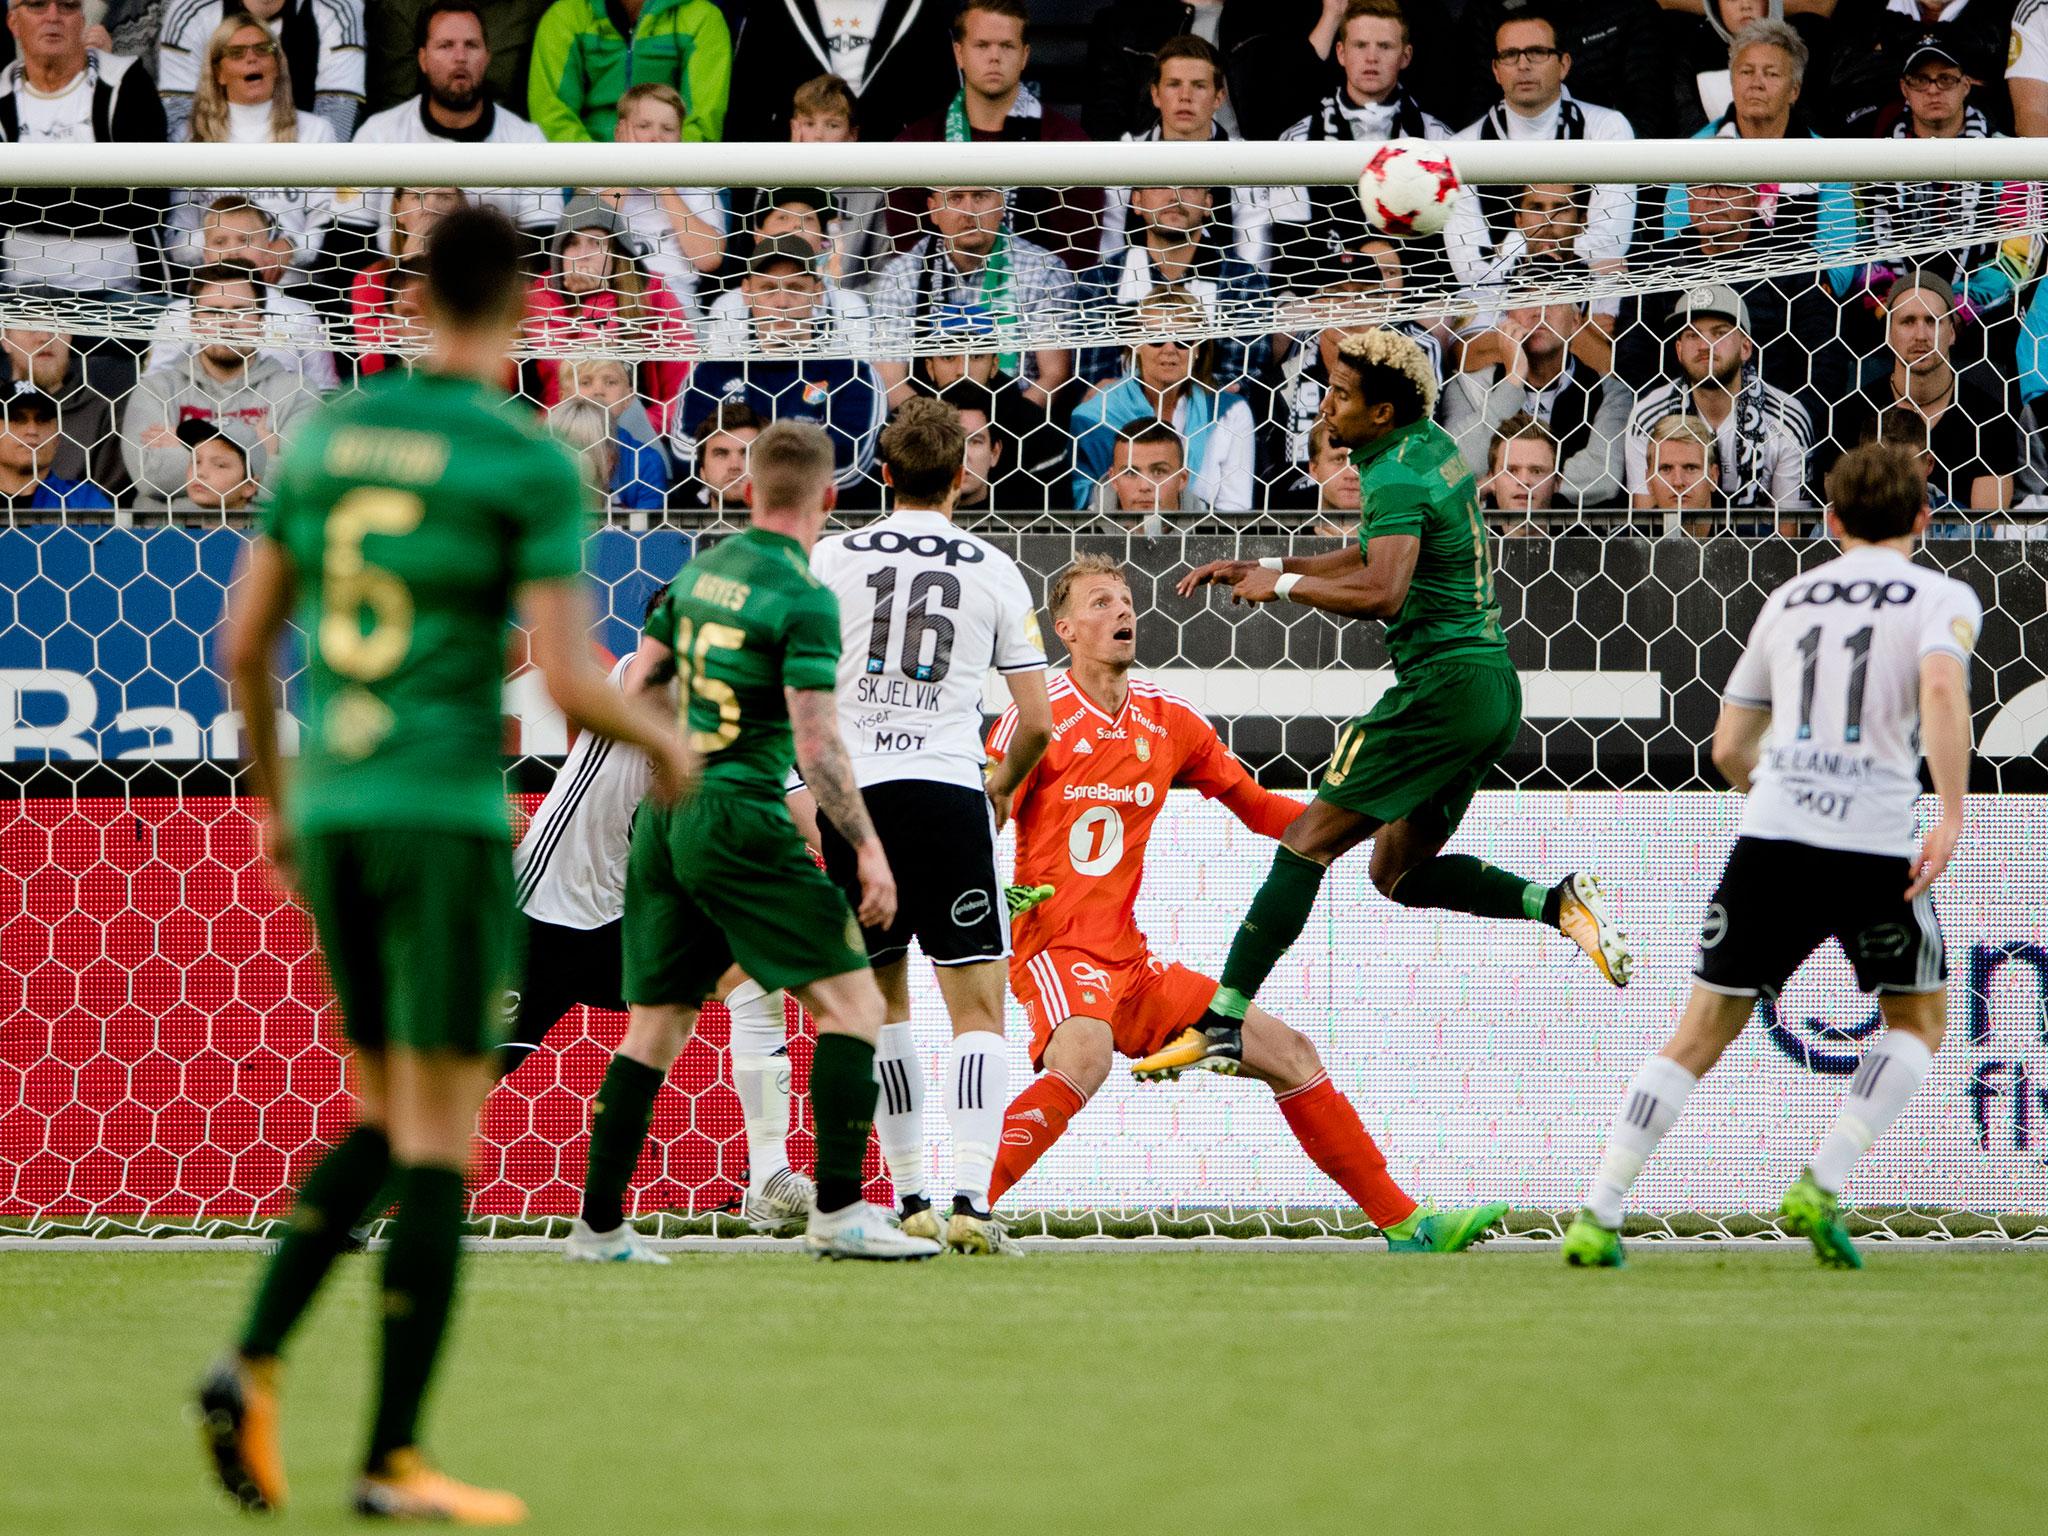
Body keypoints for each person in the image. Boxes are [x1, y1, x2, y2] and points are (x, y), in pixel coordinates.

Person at [197, 203, 692, 1523]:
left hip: (338, 808)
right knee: (436, 1138)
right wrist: (673, 745)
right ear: (521, 312)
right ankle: (390, 1454)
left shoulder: (333, 436)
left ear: (413, 304)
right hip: (446, 820)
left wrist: (274, 799)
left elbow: (247, 640)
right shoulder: (519, 458)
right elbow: (578, 688)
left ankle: (254, 1364)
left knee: (387, 1113)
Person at [983, 553, 1510, 1253]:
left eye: (1127, 600)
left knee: (1290, 1052)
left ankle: (1408, 1225)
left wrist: (1369, 823)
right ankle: (966, 1206)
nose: (1122, 612)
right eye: (1102, 602)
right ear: (1065, 629)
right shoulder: (1037, 718)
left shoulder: (1167, 719)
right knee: (1084, 1057)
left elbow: (1259, 807)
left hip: (1129, 963)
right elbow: (982, 807)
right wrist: (988, 887)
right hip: (1055, 946)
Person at [1162, 328, 1632, 1079]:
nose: (1326, 404)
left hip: (1442, 687)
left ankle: (1222, 1020)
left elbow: (1385, 590)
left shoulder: (1394, 477)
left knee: (1306, 842)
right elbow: (1377, 552)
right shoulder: (1427, 447)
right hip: (1490, 690)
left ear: (1381, 411)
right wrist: (1272, 561)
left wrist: (1280, 589)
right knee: (1397, 875)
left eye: (1342, 395)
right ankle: (1557, 902)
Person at [1563, 440, 1980, 1269]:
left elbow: (1726, 748)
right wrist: (1953, 813)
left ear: (1830, 520)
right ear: (1924, 520)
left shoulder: (1789, 597)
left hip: (1773, 839)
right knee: (1918, 1022)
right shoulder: (1942, 594)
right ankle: (1822, 1181)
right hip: (1871, 845)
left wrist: (1787, 791)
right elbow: (1939, 688)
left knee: (1698, 1035)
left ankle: (1597, 1213)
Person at [570, 419, 943, 1262]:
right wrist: (869, 848)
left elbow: (641, 683)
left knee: (655, 1028)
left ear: (745, 490)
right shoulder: (804, 594)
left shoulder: (701, 572)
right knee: (853, 1007)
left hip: (668, 819)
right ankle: (842, 1212)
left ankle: (598, 1228)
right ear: (831, 497)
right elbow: (816, 741)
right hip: (741, 813)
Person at [804, 397, 1052, 1249]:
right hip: (947, 793)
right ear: (962, 478)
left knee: (878, 1003)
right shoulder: (993, 566)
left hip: (853, 798)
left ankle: (907, 1199)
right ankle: (971, 1204)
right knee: (978, 1009)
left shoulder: (828, 558)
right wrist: (1001, 784)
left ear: (879, 474)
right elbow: (1039, 721)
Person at [502, 590, 816, 1239]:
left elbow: (795, 802)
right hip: (543, 911)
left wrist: (861, 856)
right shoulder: (634, 679)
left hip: (629, 919)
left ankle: (769, 1181)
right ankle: (354, 1203)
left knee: (751, 977)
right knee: (462, 1074)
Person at [891, 0, 1100, 271]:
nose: (994, 56)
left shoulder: (1068, 144)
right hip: (936, 303)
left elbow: (1075, 260)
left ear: (1024, 55)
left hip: (1037, 303)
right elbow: (907, 258)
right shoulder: (916, 144)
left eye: (1006, 46)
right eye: (982, 45)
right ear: (959, 53)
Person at [672, 234, 886, 493]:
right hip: (724, 521)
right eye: (769, 288)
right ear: (747, 293)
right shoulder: (712, 371)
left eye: (795, 288)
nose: (782, 303)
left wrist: (745, 467)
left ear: (817, 294)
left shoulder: (853, 374)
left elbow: (849, 467)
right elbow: (686, 455)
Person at [1661, 19, 1860, 294]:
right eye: (1746, 72)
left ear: (1794, 90)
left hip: (1795, 303)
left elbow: (1836, 265)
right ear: (1732, 83)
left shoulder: (1826, 159)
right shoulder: (1696, 151)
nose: (1756, 83)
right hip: (1710, 297)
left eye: (1771, 74)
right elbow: (1678, 241)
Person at [1451, 6, 1637, 283]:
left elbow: (1609, 246)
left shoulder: (1607, 128)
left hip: (1585, 297)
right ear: (1496, 70)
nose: (1523, 65)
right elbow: (1468, 268)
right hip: (1496, 310)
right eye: (1510, 55)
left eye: (1537, 52)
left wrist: (1511, 248)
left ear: (1564, 64)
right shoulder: (1462, 147)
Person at [1269, 1, 1451, 280]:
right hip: (1326, 301)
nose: (1372, 57)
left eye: (1385, 46)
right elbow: (1290, 252)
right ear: (1340, 53)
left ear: (1406, 56)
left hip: (1415, 302)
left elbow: (1450, 247)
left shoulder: (1437, 137)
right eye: (1360, 45)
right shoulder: (1299, 138)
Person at [345, 3, 554, 240]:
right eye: (446, 46)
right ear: (422, 59)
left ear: (487, 57)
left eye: (471, 45)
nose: (460, 57)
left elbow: (543, 249)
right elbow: (344, 245)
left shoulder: (527, 141)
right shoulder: (377, 135)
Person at [0, 0, 169, 294]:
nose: (53, 16)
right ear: (13, 22)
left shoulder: (127, 84)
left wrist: (27, 193)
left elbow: (147, 201)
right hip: (16, 297)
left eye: (67, 6)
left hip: (119, 295)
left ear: (82, 21)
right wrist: (95, 189)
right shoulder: (1, 98)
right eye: (38, 6)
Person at [121, 264, 321, 510]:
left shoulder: (297, 391)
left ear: (260, 323)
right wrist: (258, 451)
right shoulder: (157, 389)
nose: (226, 324)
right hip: (168, 539)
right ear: (194, 324)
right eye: (214, 311)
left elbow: (302, 482)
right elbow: (150, 477)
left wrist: (188, 447)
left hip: (258, 539)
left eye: (240, 311)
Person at [1818, 271, 2021, 511]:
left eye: (1932, 321)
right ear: (1889, 334)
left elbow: (1986, 533)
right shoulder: (1850, 416)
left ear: (1952, 332)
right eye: (1908, 321)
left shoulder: (1990, 419)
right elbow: (1837, 523)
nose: (1921, 336)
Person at [164, 8, 341, 283]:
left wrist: (290, 247)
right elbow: (176, 236)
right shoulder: (188, 137)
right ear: (218, 72)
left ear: (277, 63)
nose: (251, 57)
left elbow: (329, 219)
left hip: (294, 292)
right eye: (236, 53)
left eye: (263, 49)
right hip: (216, 295)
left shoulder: (316, 131)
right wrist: (229, 248)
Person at [869, 185, 1076, 412]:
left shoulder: (1044, 271)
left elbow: (1054, 376)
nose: (969, 211)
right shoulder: (899, 276)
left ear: (1002, 204)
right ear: (933, 210)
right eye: (956, 198)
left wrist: (1005, 428)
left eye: (980, 196)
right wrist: (940, 429)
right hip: (929, 428)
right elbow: (889, 381)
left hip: (1018, 425)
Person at [1621, 283, 1812, 512]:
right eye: (1693, 335)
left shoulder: (1787, 420)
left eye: (1719, 333)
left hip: (1760, 545)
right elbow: (1646, 524)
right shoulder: (1648, 418)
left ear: (1745, 348)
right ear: (1679, 350)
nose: (1705, 345)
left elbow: (1789, 535)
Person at [1071, 290, 1256, 514]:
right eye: (1157, 338)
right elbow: (1085, 500)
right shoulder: (1094, 415)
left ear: (1198, 347)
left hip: (1204, 539)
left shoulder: (1230, 411)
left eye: (1183, 340)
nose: (1170, 350)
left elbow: (1235, 507)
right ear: (1137, 343)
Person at [1097, 36, 1271, 270]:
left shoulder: (1244, 161)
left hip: (1222, 300)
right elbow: (1109, 259)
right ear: (1155, 95)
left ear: (1219, 97)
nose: (1185, 96)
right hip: (1136, 298)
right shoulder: (1126, 156)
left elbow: (1253, 263)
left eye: (1199, 85)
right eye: (1174, 84)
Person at [1076, 184, 1269, 394]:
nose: (1174, 197)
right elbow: (1095, 383)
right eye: (1160, 186)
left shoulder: (1242, 279)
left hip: (1213, 421)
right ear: (1137, 201)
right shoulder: (1102, 280)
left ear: (1207, 203)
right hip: (1123, 423)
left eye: (1189, 187)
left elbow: (1242, 381)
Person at [526, 196, 692, 433]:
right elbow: (580, 375)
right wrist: (593, 305)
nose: (583, 254)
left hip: (636, 430)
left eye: (596, 243)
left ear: (617, 251)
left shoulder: (653, 291)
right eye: (572, 243)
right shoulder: (542, 297)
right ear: (558, 252)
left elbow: (684, 387)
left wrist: (640, 426)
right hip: (560, 432)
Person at [1441, 299, 1627, 508]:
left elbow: (1603, 478)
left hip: (1577, 536)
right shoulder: (1467, 385)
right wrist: (1513, 381)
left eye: (1553, 300)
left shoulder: (1610, 391)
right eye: (1527, 300)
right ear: (1507, 319)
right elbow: (1454, 469)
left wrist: (1498, 483)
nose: (1539, 312)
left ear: (1575, 321)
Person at [1083, 0, 1340, 141]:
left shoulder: (1267, 18)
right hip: (1152, 177)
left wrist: (1333, 14)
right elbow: (1103, 123)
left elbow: (1295, 102)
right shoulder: (1121, 23)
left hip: (1247, 177)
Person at [151, 199, 339, 392]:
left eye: (245, 240)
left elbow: (324, 390)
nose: (233, 251)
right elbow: (155, 387)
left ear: (267, 249)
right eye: (220, 242)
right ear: (205, 253)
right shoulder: (177, 316)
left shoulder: (300, 316)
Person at [722, 0, 954, 143]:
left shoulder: (924, 10)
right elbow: (746, 113)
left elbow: (940, 111)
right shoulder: (772, 10)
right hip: (794, 191)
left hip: (892, 186)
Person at [591, 81, 724, 318]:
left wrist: (665, 187)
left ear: (680, 136)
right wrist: (627, 171)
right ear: (619, 133)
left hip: (677, 302)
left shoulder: (698, 182)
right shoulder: (597, 177)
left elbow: (710, 258)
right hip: (607, 299)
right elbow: (588, 244)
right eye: (643, 126)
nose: (656, 138)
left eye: (668, 129)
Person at [158, 0, 366, 141]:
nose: (251, 58)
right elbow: (179, 120)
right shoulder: (190, 10)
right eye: (236, 52)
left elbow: (338, 115)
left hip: (297, 167)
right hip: (215, 168)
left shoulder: (337, 7)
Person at [527, 0, 728, 143]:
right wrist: (597, 170)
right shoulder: (565, 14)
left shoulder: (703, 16)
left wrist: (665, 168)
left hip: (674, 161)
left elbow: (704, 118)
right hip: (584, 166)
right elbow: (550, 109)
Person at [3, 323, 127, 498]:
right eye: (30, 324)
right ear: (5, 339)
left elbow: (104, 512)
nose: (46, 336)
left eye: (56, 325)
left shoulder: (106, 414)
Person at [365, 0, 549, 116]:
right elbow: (394, 111)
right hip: (422, 157)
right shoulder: (403, 8)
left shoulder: (532, 9)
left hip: (507, 154)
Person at [350, 188, 462, 376]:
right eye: (417, 197)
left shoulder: (487, 278)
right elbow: (374, 366)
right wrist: (407, 271)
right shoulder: (371, 279)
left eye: (444, 197)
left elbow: (500, 373)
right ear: (398, 210)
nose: (430, 208)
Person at [564, 356, 670, 511]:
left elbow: (646, 531)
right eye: (586, 382)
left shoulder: (646, 461)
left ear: (628, 398)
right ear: (564, 396)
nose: (598, 391)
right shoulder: (547, 452)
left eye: (610, 382)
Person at [0, 389, 113, 512]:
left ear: (57, 438)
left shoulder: (85, 501)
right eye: (17, 419)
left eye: (42, 420)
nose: (32, 431)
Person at [1099, 415, 1202, 527]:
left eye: (1158, 472)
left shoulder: (1214, 531)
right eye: (1130, 473)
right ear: (1113, 479)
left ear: (1182, 479)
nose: (1145, 486)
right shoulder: (1083, 533)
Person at [1642, 412, 1724, 529]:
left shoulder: (1749, 541)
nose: (1678, 482)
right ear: (1648, 480)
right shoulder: (1622, 542)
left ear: (1713, 477)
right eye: (1666, 469)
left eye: (1691, 468)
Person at [679, 398, 760, 512]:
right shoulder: (675, 526)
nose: (734, 466)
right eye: (721, 454)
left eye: (747, 454)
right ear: (702, 471)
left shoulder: (791, 526)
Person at [170, 416, 264, 513]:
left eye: (220, 465)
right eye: (196, 461)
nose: (200, 473)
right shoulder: (168, 527)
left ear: (249, 486)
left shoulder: (266, 528)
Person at [1477, 410, 1561, 518]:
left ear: (1557, 482)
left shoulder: (1586, 530)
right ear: (1492, 480)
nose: (1523, 481)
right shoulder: (1470, 532)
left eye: (1536, 471)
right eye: (1511, 471)